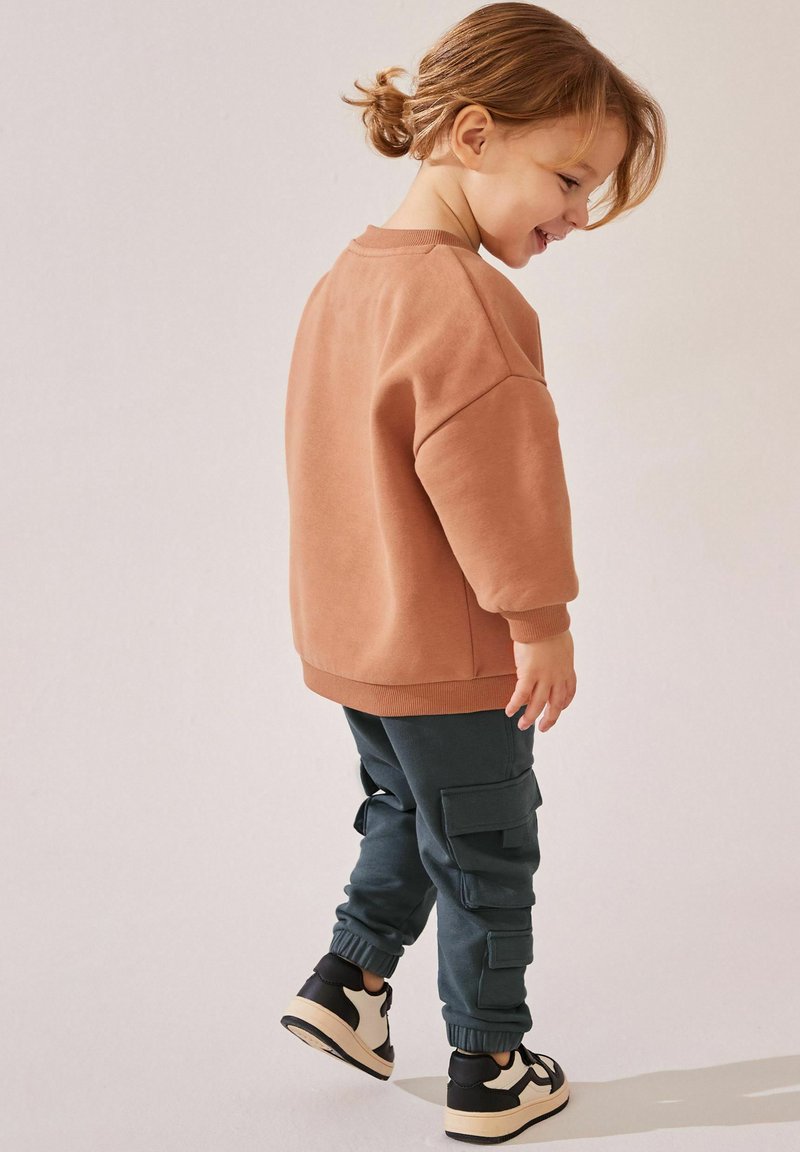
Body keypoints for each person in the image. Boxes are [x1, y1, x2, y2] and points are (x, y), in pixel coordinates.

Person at [280, 2, 666, 1142]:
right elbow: (496, 482)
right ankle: (490, 1066)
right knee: (487, 849)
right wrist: (539, 621)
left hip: (359, 645)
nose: (579, 213)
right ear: (473, 135)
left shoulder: (347, 280)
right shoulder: (468, 299)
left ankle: (349, 983)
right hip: (450, 655)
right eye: (568, 178)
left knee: (407, 809)